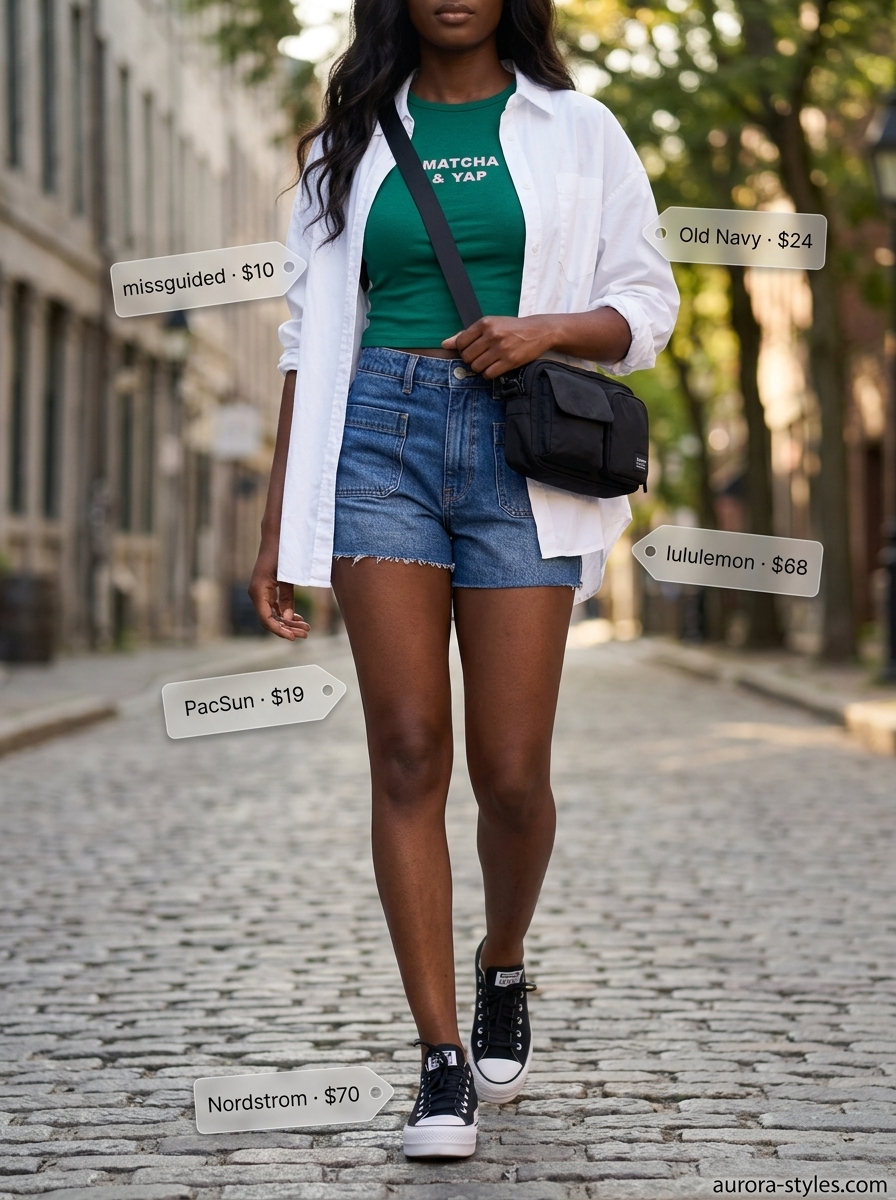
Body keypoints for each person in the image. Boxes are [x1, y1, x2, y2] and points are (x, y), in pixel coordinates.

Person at [250, 0, 678, 1160]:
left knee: (510, 772)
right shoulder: (343, 142)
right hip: (374, 440)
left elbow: (648, 309)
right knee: (403, 749)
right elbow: (304, 342)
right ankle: (438, 1062)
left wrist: (541, 330)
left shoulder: (577, 129)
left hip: (516, 452)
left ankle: (502, 960)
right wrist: (274, 525)